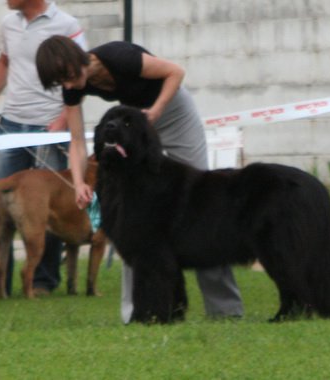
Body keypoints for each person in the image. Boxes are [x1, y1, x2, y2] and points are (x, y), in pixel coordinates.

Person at [35, 36, 244, 323]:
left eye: (69, 77)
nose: (69, 87)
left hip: (172, 113)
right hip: (135, 128)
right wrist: (80, 181)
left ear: (78, 60)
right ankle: (136, 313)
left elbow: (175, 72)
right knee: (132, 223)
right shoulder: (72, 88)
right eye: (61, 83)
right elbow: (76, 142)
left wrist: (155, 111)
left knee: (203, 210)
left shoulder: (120, 56)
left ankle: (225, 310)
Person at [0, 0, 86, 296]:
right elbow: (5, 60)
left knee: (48, 209)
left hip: (48, 126)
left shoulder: (67, 25)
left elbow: (80, 75)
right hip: (11, 123)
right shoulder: (8, 23)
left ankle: (43, 281)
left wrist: (64, 118)